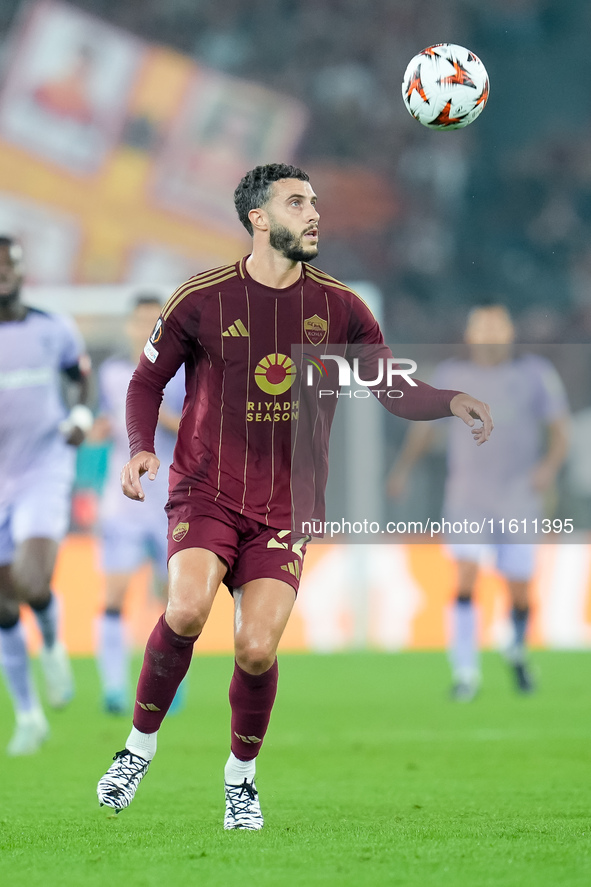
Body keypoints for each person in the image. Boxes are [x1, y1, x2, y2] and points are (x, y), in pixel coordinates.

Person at [96, 163, 493, 829]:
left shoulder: (339, 306)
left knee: (255, 648)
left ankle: (240, 780)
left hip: (285, 506)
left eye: (314, 202)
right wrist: (141, 444)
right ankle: (137, 748)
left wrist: (447, 400)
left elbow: (390, 387)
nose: (314, 213)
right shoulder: (202, 297)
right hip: (206, 491)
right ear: (259, 219)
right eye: (297, 202)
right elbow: (144, 380)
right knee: (187, 607)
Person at [388, 305, 569, 701]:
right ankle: (465, 673)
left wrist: (548, 468)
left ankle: (517, 650)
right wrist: (403, 469)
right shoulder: (451, 376)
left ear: (510, 331)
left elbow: (560, 430)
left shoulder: (535, 374)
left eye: (497, 324)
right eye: (481, 325)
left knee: (520, 591)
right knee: (465, 578)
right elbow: (425, 428)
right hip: (468, 497)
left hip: (520, 497)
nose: (489, 332)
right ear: (469, 333)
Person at [0, 236, 92, 755]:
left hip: (43, 468)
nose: (2, 274)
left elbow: (80, 380)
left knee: (32, 582)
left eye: (7, 264)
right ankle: (29, 716)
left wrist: (79, 415)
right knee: (2, 609)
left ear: (20, 271)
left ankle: (54, 643)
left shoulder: (51, 327)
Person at [89, 295, 184, 714]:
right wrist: (97, 429)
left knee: (174, 604)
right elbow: (104, 423)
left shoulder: (182, 374)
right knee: (114, 595)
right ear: (129, 326)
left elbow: (196, 429)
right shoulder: (111, 373)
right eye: (140, 320)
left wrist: (156, 412)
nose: (146, 326)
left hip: (171, 501)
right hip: (123, 501)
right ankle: (112, 688)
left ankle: (169, 684)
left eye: (153, 320)